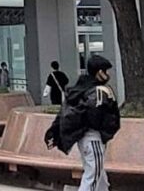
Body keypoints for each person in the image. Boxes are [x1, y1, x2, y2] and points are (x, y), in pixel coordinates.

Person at [45, 55, 120, 191]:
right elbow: (97, 115)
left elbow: (64, 112)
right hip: (94, 138)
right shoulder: (99, 91)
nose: (108, 74)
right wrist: (106, 129)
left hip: (85, 139)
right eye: (105, 71)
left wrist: (53, 131)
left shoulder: (79, 89)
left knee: (99, 176)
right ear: (99, 72)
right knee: (92, 177)